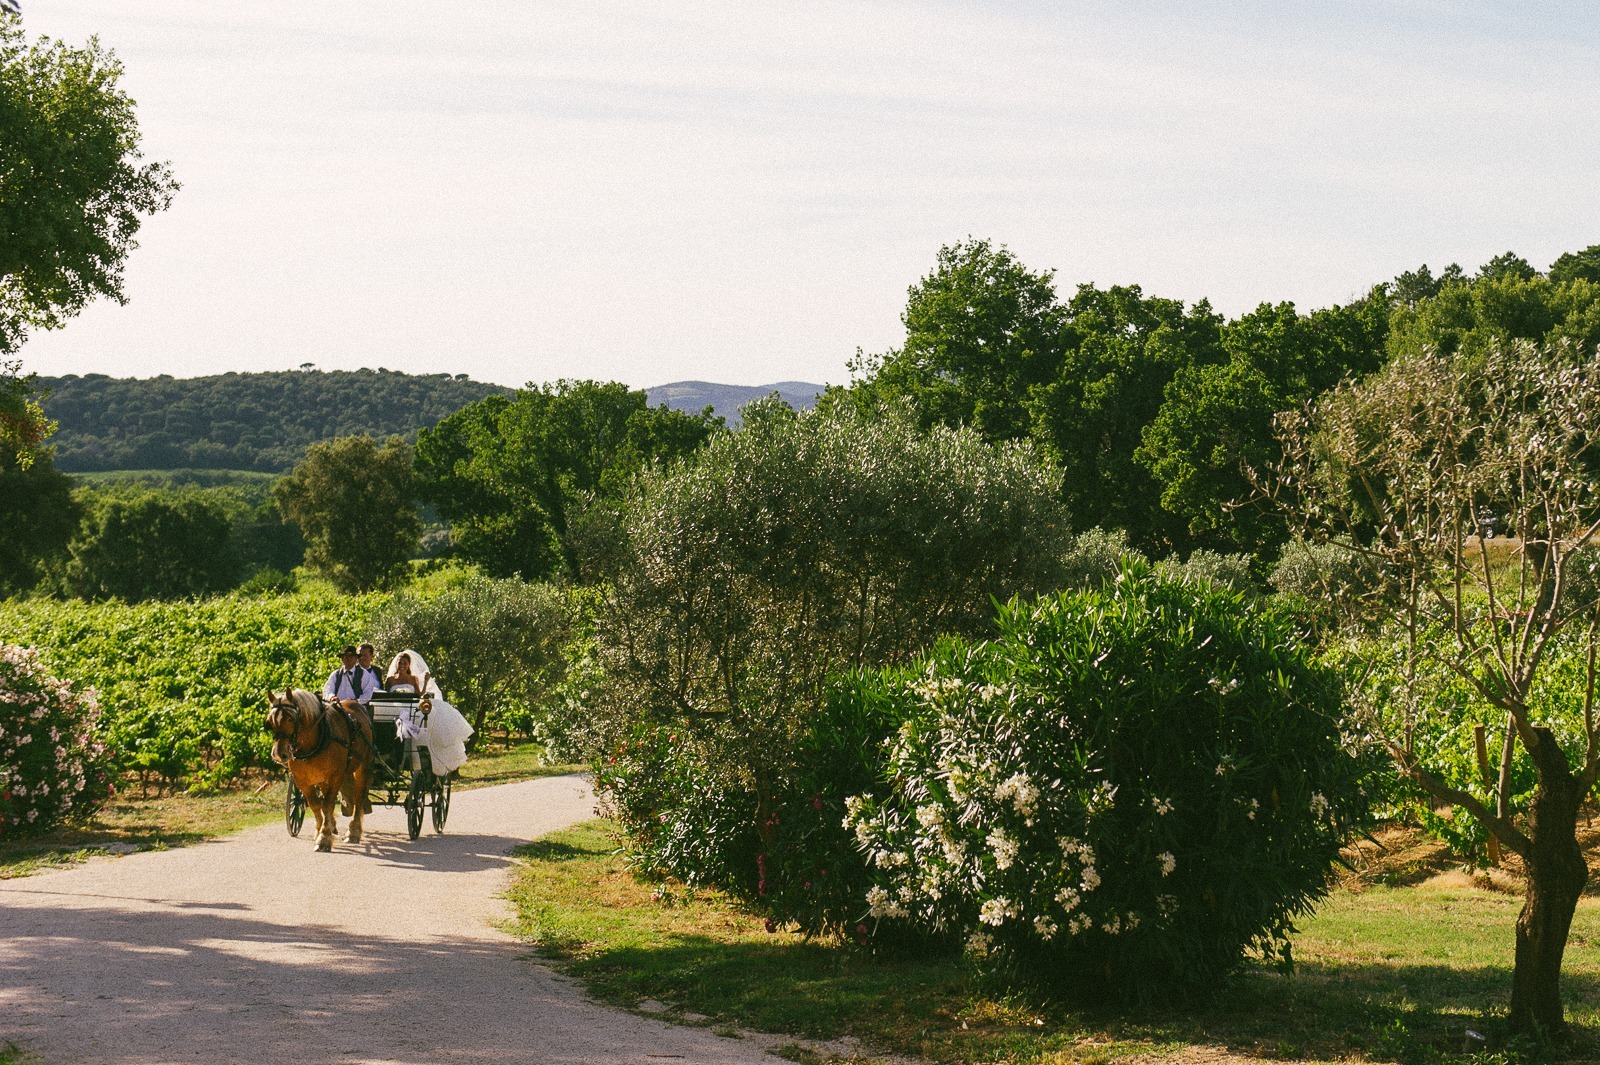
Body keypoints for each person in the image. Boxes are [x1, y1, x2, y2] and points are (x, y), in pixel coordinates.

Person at [322, 645, 375, 720]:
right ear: (342, 659)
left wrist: (356, 702)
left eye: (351, 656)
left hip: (357, 709)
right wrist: (332, 697)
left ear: (356, 658)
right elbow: (327, 690)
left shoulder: (364, 674)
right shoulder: (336, 674)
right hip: (337, 709)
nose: (348, 658)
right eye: (345, 656)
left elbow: (367, 693)